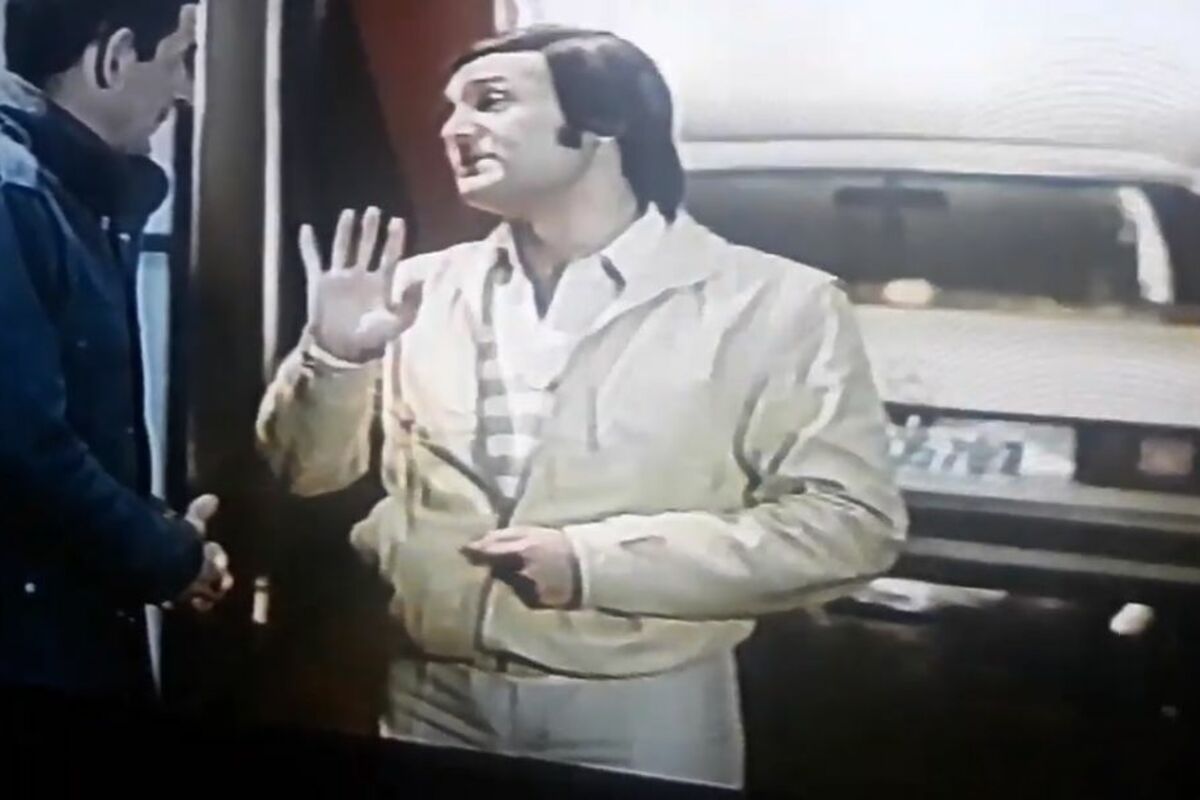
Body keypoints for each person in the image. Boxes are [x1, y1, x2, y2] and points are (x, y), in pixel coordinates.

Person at [257, 25, 906, 788]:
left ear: (604, 121)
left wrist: (594, 565)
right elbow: (305, 473)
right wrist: (336, 358)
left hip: (638, 711)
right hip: (430, 694)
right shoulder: (416, 290)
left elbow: (849, 525)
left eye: (491, 101)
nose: (454, 129)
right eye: (451, 108)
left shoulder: (772, 303)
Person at [0, 0, 232, 706]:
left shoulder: (62, 191)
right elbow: (21, 444)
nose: (185, 92)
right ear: (114, 58)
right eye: (180, 60)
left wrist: (155, 532)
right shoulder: (15, 190)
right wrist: (168, 555)